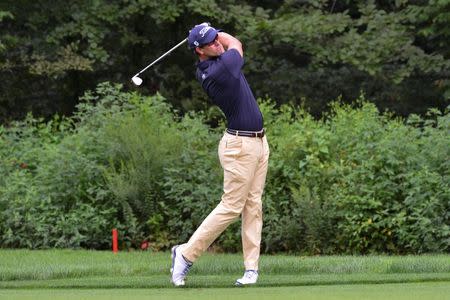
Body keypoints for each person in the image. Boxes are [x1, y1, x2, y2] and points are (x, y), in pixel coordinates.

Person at [170, 22, 270, 287]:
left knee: (253, 206)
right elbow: (236, 43)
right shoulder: (218, 69)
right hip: (239, 147)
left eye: (216, 39)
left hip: (259, 143)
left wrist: (209, 32)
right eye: (210, 43)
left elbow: (224, 44)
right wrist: (218, 31)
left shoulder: (218, 60)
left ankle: (251, 269)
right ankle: (185, 254)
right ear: (199, 51)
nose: (217, 43)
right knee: (231, 207)